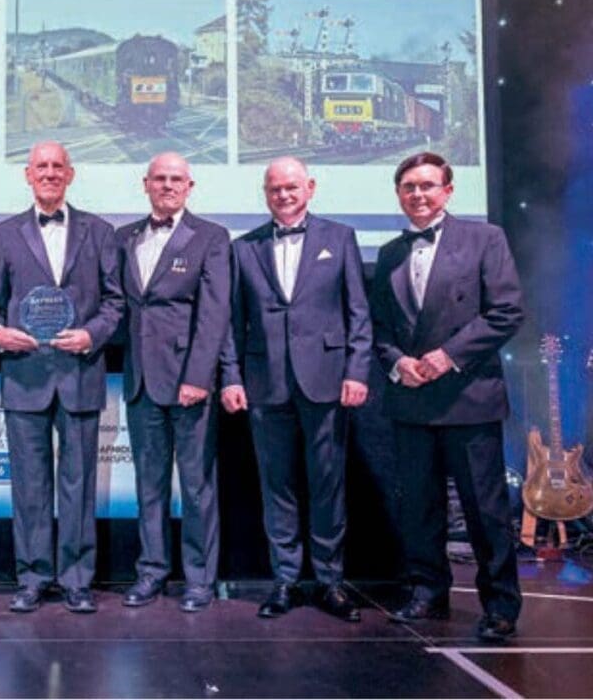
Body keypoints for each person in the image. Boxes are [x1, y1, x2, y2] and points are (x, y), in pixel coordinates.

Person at [370, 152, 524, 642]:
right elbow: (378, 328)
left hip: (468, 397)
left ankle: (500, 605)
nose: (418, 194)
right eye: (409, 187)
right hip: (411, 400)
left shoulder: (485, 239)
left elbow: (506, 312)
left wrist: (448, 356)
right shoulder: (389, 253)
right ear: (399, 194)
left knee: (485, 511)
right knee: (419, 507)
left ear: (448, 191)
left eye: (427, 185)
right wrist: (398, 362)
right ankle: (427, 592)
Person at [220, 157, 371, 622]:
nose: (283, 195)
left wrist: (358, 370)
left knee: (328, 484)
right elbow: (231, 322)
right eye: (274, 189)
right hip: (265, 384)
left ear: (310, 187)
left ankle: (329, 580)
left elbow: (358, 312)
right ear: (265, 193)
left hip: (327, 380)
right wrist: (231, 376)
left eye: (291, 187)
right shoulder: (243, 248)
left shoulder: (339, 238)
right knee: (276, 486)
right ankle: (285, 579)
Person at [0, 141, 124, 613]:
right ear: (28, 175)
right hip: (24, 374)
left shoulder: (100, 232)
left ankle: (77, 579)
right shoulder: (2, 233)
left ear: (70, 174)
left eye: (57, 166)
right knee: (28, 485)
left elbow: (115, 301)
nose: (49, 173)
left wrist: (91, 335)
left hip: (80, 372)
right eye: (41, 166)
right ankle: (32, 576)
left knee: (79, 483)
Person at [115, 152, 230, 612]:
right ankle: (151, 571)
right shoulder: (124, 237)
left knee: (197, 486)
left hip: (189, 382)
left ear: (189, 186)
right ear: (145, 184)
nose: (167, 185)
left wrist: (199, 376)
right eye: (159, 178)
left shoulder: (211, 237)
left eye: (176, 179)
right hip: (140, 380)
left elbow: (215, 313)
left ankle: (200, 579)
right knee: (149, 484)